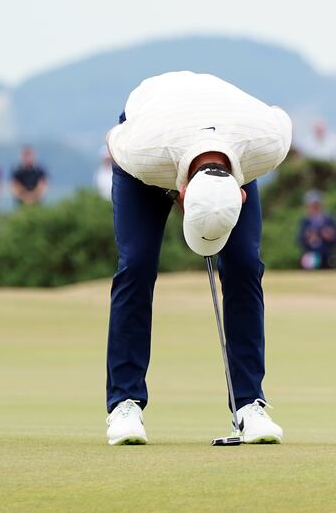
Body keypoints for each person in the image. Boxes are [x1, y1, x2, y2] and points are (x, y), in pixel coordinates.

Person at [103, 71, 292, 446]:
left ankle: (249, 404)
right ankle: (124, 404)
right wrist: (167, 188)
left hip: (232, 136)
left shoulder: (268, 144)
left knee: (244, 266)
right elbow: (114, 143)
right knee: (136, 265)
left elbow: (280, 116)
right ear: (183, 194)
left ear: (240, 194)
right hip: (152, 129)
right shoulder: (140, 150)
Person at [297, 190, 336, 269]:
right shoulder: (305, 221)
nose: (315, 207)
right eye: (312, 205)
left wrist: (329, 236)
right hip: (310, 254)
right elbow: (299, 239)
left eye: (316, 205)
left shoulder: (329, 219)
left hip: (327, 255)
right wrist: (308, 238)